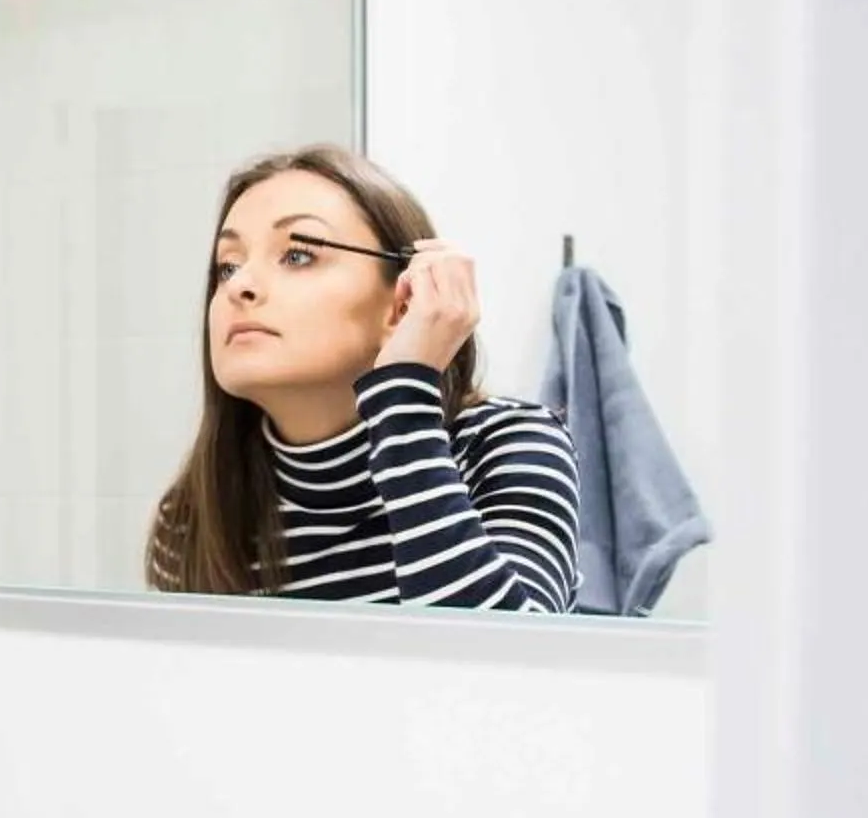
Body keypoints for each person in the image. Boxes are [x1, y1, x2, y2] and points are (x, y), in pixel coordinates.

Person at [145, 145, 579, 610]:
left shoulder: (508, 445)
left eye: (297, 255)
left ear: (403, 303)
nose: (238, 285)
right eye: (227, 265)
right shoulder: (194, 517)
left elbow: (510, 668)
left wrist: (405, 392)